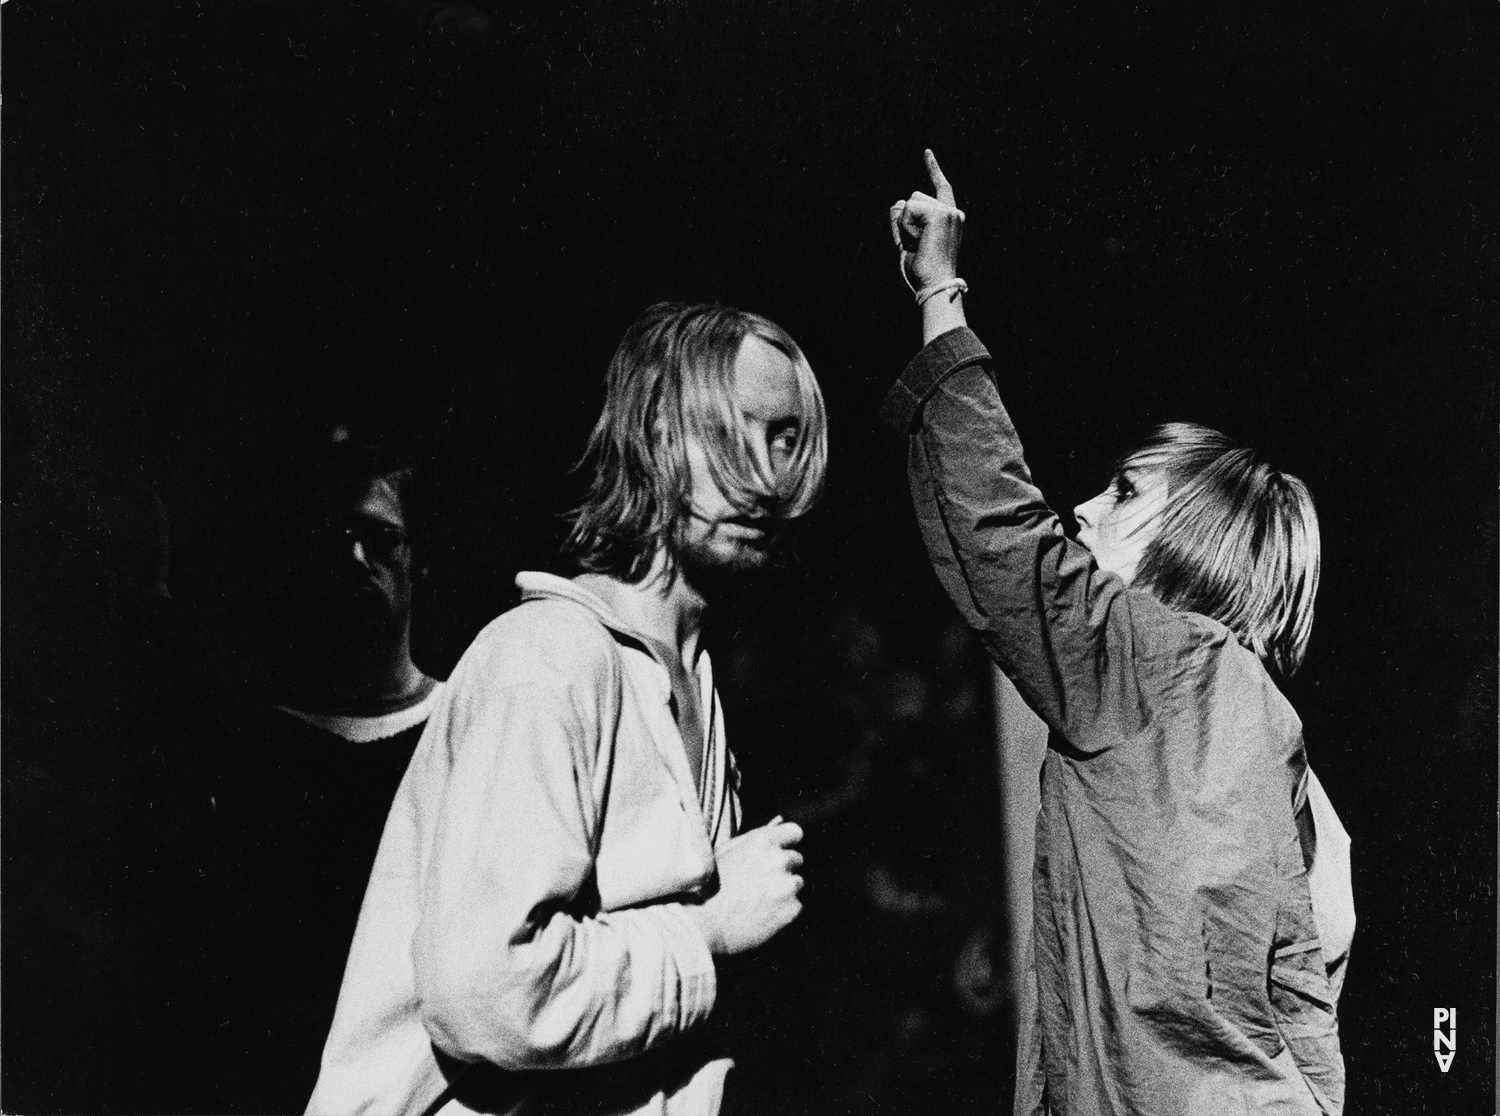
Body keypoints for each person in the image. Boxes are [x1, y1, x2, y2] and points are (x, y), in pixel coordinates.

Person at [882, 152, 1354, 1114]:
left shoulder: (1154, 663)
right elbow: (1311, 1002)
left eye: (1127, 492)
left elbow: (1005, 542)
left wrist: (941, 295)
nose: (1086, 510)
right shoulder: (1270, 743)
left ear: (1194, 546)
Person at [306, 302, 827, 1116]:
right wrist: (710, 933)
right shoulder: (548, 661)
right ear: (655, 438)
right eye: (734, 433)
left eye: (786, 439)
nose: (765, 475)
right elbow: (485, 993)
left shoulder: (694, 682)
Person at [211, 426, 444, 1113]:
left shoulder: (466, 725)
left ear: (418, 558)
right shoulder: (255, 747)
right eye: (335, 535)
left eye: (381, 538)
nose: (356, 557)